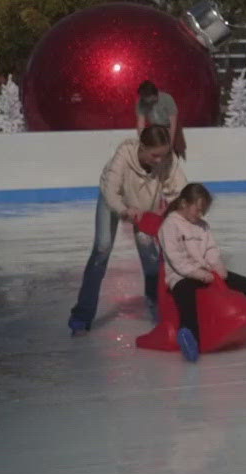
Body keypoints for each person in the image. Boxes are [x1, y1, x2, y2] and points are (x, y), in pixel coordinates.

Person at [70, 125, 186, 336]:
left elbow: (180, 191)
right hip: (113, 200)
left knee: (150, 257)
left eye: (164, 154)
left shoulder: (167, 160)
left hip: (143, 207)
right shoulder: (124, 155)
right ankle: (81, 316)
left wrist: (180, 213)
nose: (160, 160)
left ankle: (158, 312)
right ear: (142, 147)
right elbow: (111, 191)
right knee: (102, 248)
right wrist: (124, 210)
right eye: (155, 155)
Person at [159, 183, 246, 362]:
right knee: (186, 295)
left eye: (203, 212)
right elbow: (175, 259)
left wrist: (218, 266)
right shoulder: (170, 225)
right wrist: (197, 273)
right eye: (197, 210)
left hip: (208, 272)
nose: (200, 215)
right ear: (184, 203)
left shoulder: (202, 226)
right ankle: (189, 335)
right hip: (181, 275)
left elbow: (211, 249)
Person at [135, 79, 185, 159]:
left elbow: (173, 123)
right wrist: (142, 141)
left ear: (153, 95)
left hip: (169, 128)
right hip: (155, 130)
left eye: (146, 97)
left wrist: (170, 144)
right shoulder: (141, 102)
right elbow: (141, 123)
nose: (144, 100)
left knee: (172, 156)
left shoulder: (167, 99)